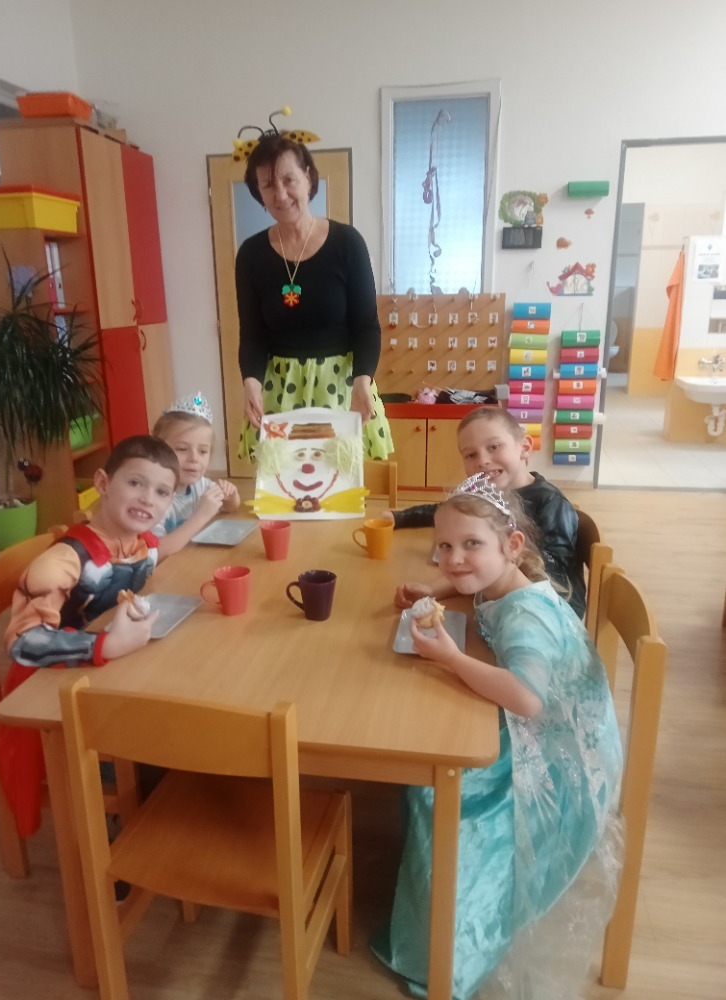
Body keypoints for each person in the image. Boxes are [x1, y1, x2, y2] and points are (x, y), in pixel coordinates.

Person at [373, 474, 623, 1000]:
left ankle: (442, 949)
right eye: (444, 546)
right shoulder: (502, 579)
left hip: (559, 761)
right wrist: (438, 588)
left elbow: (527, 699)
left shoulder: (527, 617)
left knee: (431, 784)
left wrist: (450, 657)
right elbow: (473, 577)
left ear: (512, 545)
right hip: (549, 729)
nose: (453, 558)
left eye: (471, 544)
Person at [0, 435, 179, 838]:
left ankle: (157, 792)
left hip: (111, 666)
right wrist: (104, 645)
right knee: (162, 732)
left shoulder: (141, 544)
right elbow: (22, 641)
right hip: (53, 682)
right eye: (135, 483)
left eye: (161, 492)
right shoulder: (63, 560)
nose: (147, 499)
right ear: (102, 483)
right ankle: (121, 816)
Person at [235, 133, 393, 462]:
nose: (280, 194)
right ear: (258, 192)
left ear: (308, 177)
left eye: (288, 179)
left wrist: (363, 380)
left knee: (339, 476)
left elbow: (366, 326)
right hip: (280, 389)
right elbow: (252, 334)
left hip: (341, 385)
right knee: (283, 481)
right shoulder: (250, 254)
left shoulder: (347, 243)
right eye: (268, 185)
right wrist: (251, 381)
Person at [388, 405, 586, 617]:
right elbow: (448, 513)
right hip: (495, 602)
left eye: (494, 447)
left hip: (538, 617)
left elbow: (558, 590)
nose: (482, 461)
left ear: (525, 447)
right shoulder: (488, 492)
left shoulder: (551, 504)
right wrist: (398, 517)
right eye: (471, 455)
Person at [151, 391, 241, 557]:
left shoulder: (200, 485)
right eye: (182, 449)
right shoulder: (153, 497)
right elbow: (154, 553)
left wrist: (231, 497)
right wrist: (201, 516)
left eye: (202, 451)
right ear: (159, 450)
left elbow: (230, 507)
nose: (194, 458)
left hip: (191, 558)